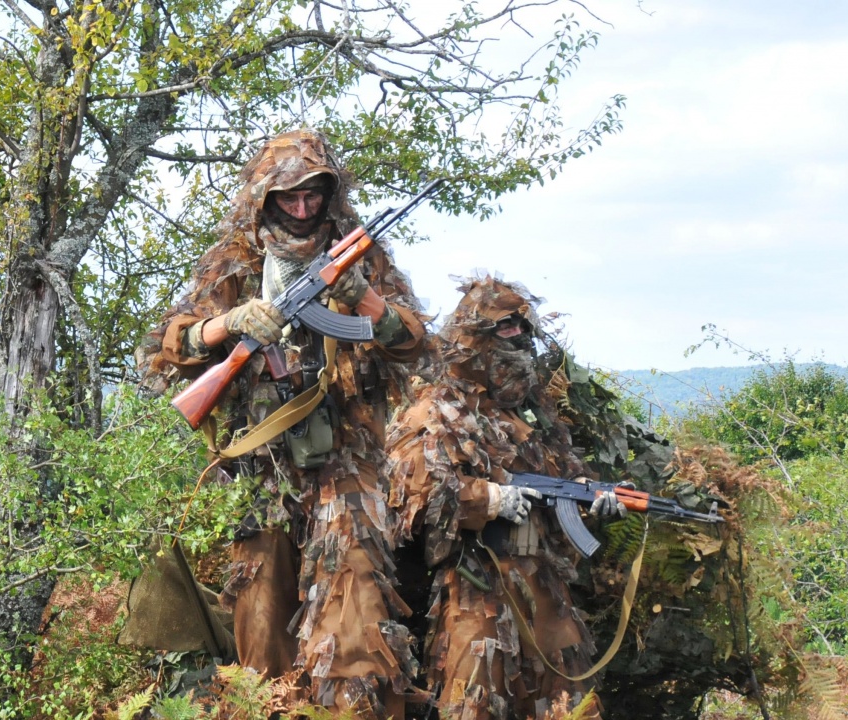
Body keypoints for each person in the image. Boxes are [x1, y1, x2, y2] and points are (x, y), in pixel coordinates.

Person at [136, 129, 426, 718]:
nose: (301, 210)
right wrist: (229, 325)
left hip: (344, 462)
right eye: (287, 199)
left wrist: (366, 300)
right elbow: (171, 345)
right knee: (260, 621)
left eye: (312, 196)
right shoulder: (235, 263)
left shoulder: (360, 257)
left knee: (355, 619)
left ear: (329, 194)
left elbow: (417, 344)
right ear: (264, 199)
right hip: (260, 465)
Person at [385, 276, 624, 720]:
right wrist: (487, 499)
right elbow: (403, 492)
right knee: (476, 705)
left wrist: (597, 502)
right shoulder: (439, 406)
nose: (516, 341)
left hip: (546, 588)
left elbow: (568, 481)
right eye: (503, 332)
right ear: (476, 341)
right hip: (478, 590)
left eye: (521, 331)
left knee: (568, 704)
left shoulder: (534, 411)